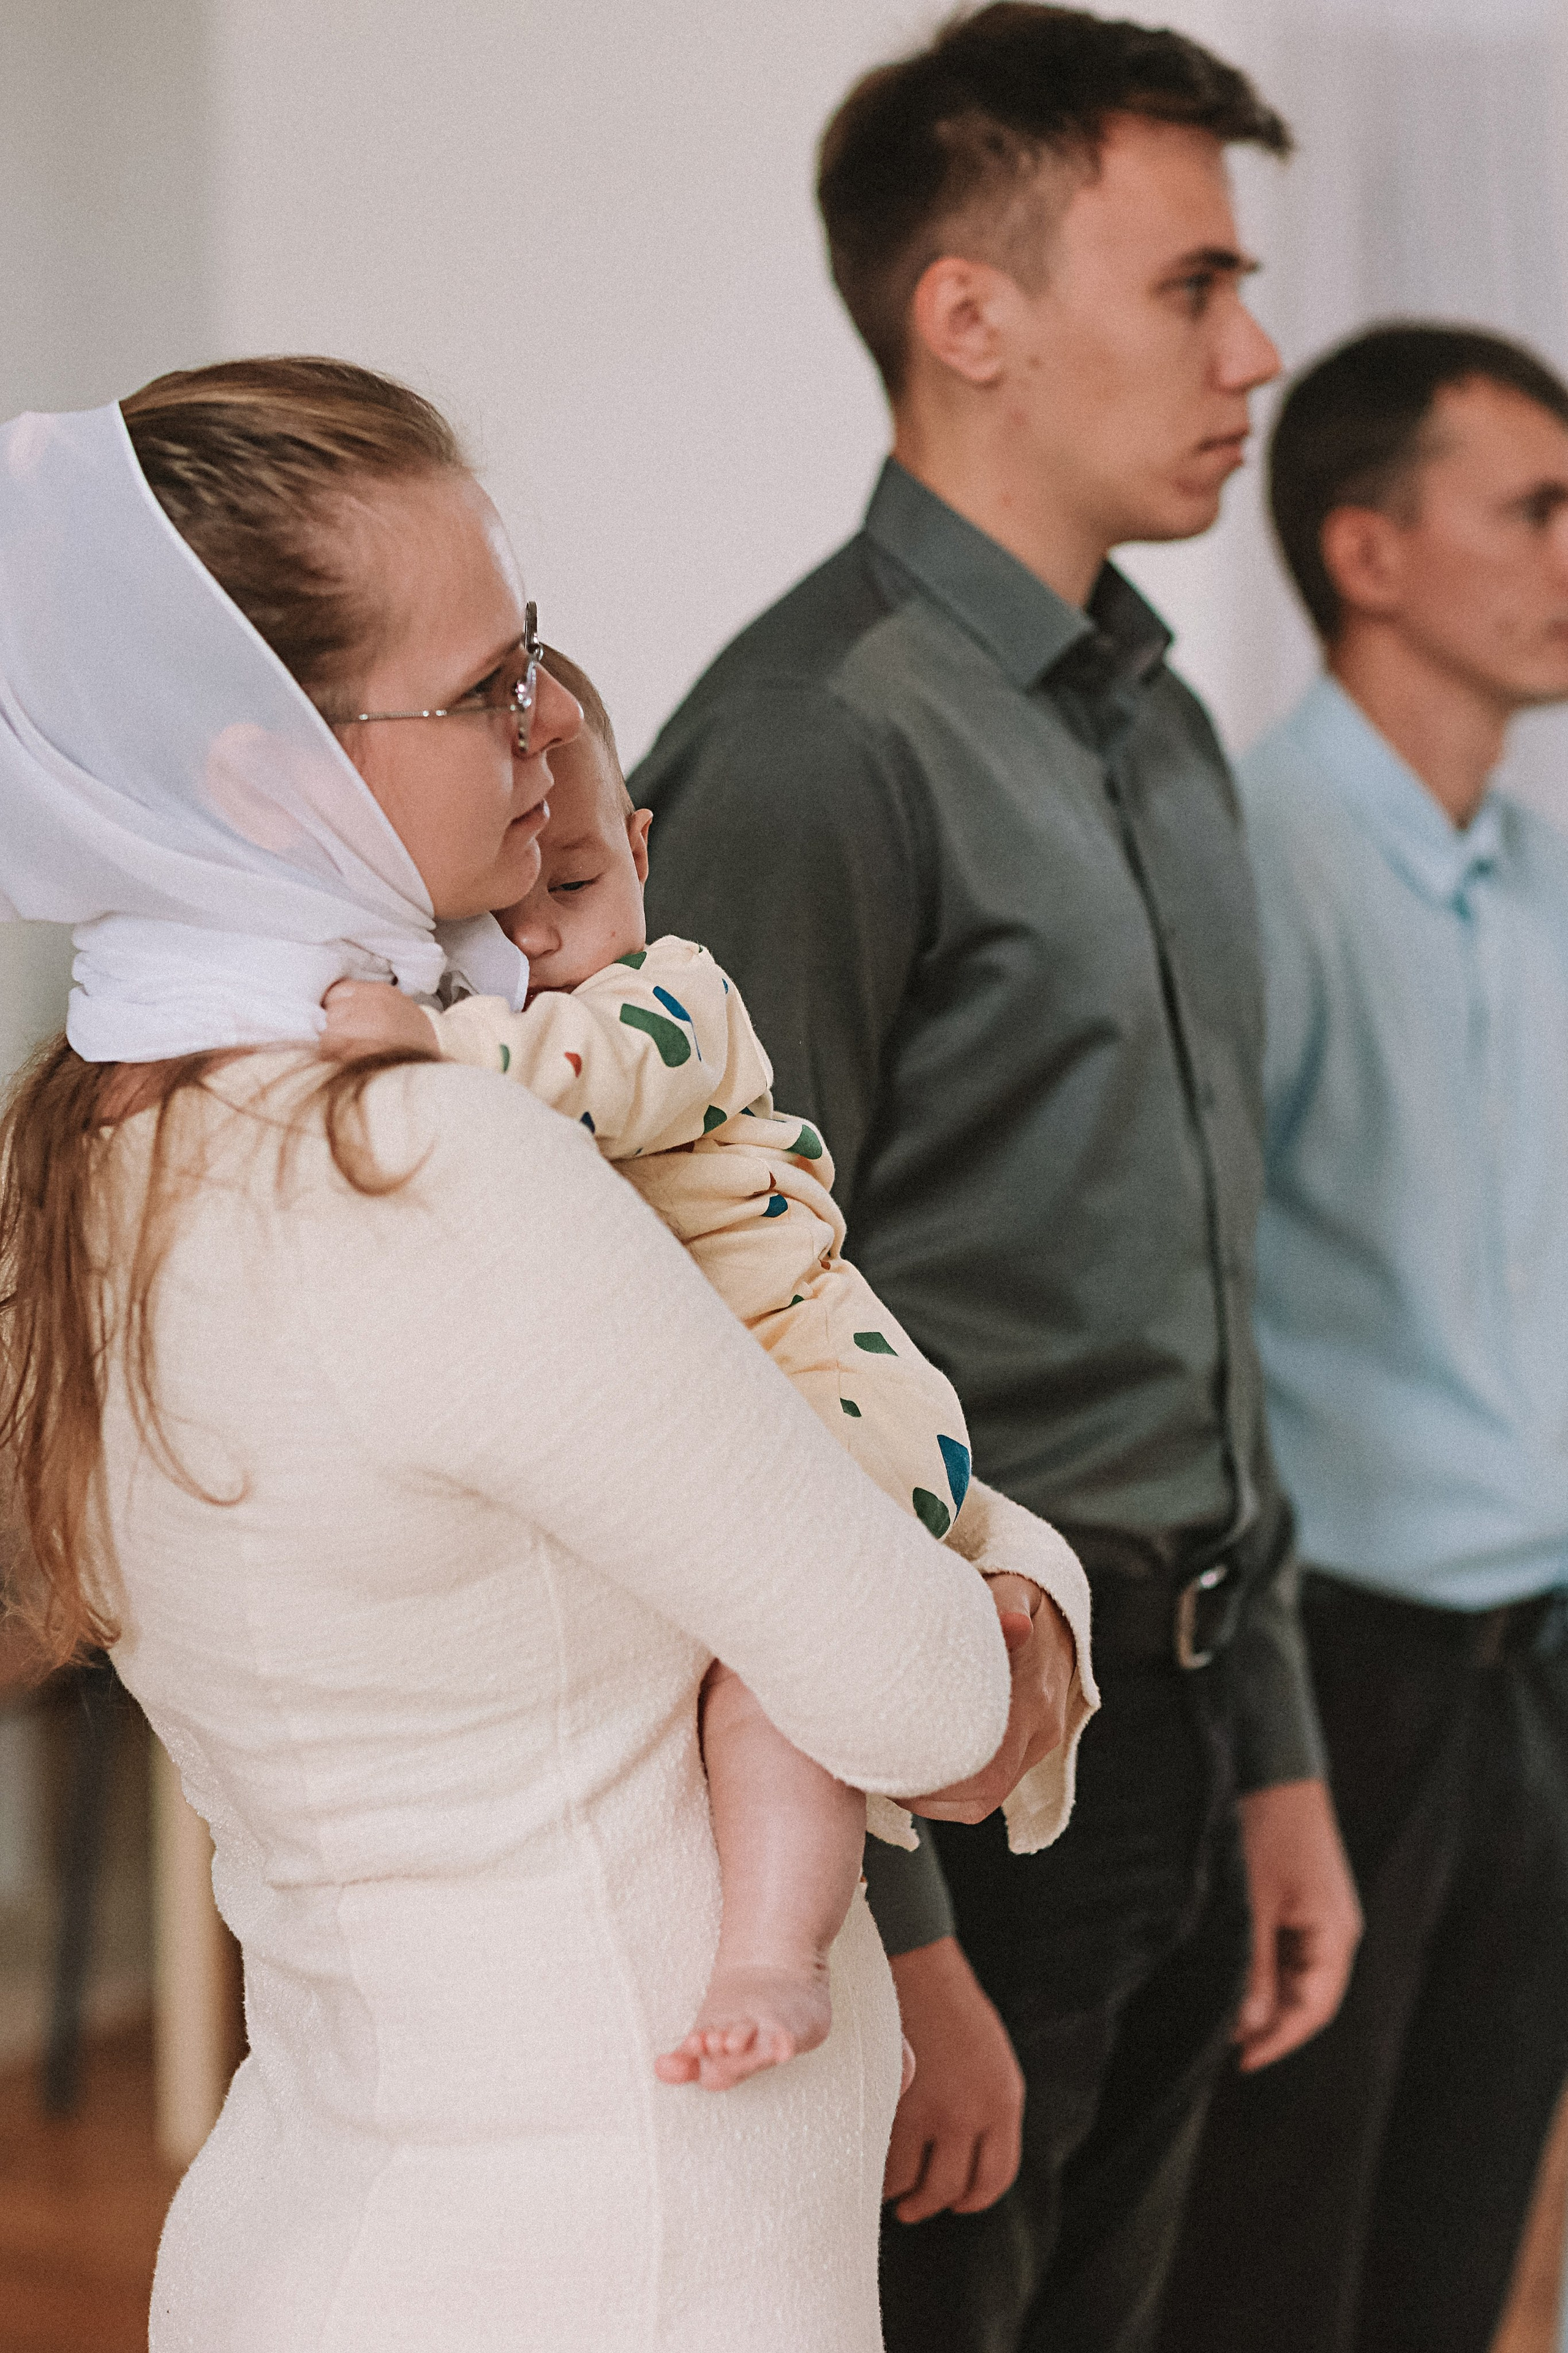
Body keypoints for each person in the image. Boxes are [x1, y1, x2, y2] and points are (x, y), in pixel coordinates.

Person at [0, 359, 1067, 2353]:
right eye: (487, 688)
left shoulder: (89, 1145)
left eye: (537, 658)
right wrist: (1037, 1595)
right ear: (260, 770)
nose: (546, 737)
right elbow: (933, 1696)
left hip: (321, 2214)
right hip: (618, 2256)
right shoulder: (432, 1161)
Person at [631, 10, 1363, 2349]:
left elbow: (1202, 1313)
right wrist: (899, 1933)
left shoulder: (1148, 721)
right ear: (973, 316)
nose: (1256, 350)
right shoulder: (815, 744)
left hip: (1177, 1715)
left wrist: (1277, 1761)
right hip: (959, 1776)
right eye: (1193, 286)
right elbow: (728, 1371)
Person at [322, 644, 1097, 2093]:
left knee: (775, 1672)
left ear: (639, 847)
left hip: (825, 1382)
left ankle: (773, 1948)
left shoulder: (668, 996)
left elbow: (591, 1072)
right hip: (753, 1398)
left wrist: (430, 1043)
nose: (545, 943)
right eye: (495, 921)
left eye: (573, 886)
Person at [1156, 325, 1568, 2353]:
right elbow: (1193, 1305)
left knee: (1459, 2248)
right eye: (1538, 509)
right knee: (1279, 2272)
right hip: (1347, 1690)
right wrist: (1269, 1737)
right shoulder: (1252, 859)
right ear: (1370, 551)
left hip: (1534, 1670)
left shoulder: (1551, 881)